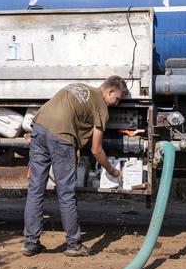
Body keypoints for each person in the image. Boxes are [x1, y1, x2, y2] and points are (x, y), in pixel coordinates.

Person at [23, 76, 129, 257]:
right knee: (66, 193)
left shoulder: (78, 86)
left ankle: (30, 243)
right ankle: (73, 244)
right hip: (61, 137)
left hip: (39, 129)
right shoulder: (101, 107)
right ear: (110, 91)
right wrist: (112, 170)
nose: (117, 103)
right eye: (117, 98)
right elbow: (96, 149)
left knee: (35, 189)